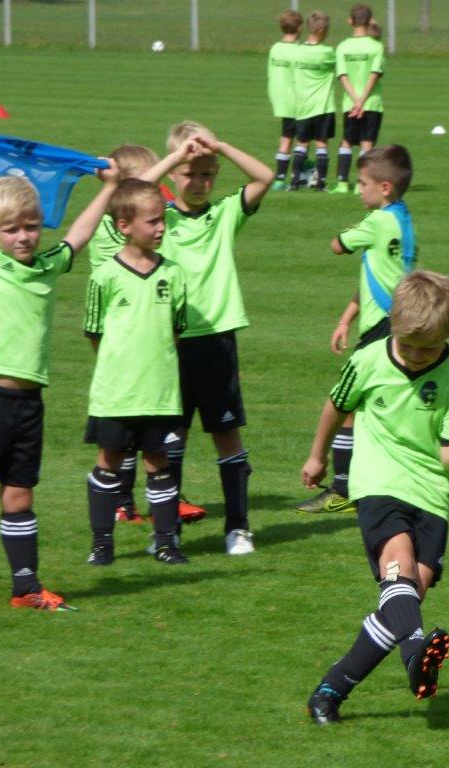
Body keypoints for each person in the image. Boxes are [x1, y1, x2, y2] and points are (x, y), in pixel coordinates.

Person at [0, 116, 118, 613]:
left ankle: (25, 587)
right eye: (11, 229)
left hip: (28, 404)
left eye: (31, 226)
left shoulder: (49, 265)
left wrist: (108, 188)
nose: (24, 237)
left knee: (19, 497)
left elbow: (80, 233)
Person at [302, 270, 449, 724]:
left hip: (431, 492)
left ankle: (329, 691)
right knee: (400, 568)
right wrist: (317, 456)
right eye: (408, 346)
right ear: (392, 326)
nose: (418, 356)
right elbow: (336, 406)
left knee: (401, 603)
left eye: (429, 348)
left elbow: (447, 457)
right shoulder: (367, 360)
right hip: (378, 483)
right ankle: (415, 654)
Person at [141, 121, 273, 555]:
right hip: (171, 342)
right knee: (171, 439)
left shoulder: (224, 214)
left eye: (207, 174)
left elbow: (265, 177)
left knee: (226, 435)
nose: (198, 182)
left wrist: (221, 146)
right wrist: (176, 157)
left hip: (217, 339)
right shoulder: (159, 220)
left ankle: (238, 528)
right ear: (173, 173)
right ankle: (167, 530)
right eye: (189, 174)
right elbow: (131, 192)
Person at [87, 144, 206, 527]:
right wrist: (176, 158)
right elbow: (94, 332)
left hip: (153, 357)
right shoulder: (109, 226)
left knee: (150, 446)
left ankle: (143, 509)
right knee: (118, 444)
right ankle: (122, 503)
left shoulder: (154, 246)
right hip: (121, 356)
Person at [296, 145, 417, 514]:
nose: (359, 190)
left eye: (363, 183)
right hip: (397, 322)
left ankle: (341, 489)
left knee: (345, 403)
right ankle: (385, 483)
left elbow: (336, 245)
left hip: (381, 326)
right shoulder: (403, 219)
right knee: (375, 406)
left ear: (384, 188)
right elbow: (378, 278)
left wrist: (350, 231)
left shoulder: (377, 222)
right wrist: (345, 319)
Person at [331, 4, 386, 195]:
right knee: (367, 144)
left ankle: (342, 183)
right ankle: (361, 185)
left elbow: (342, 76)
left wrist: (355, 100)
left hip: (351, 104)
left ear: (350, 21)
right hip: (371, 103)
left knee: (346, 141)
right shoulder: (377, 46)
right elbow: (374, 74)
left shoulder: (343, 47)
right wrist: (362, 100)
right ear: (370, 21)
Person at [289, 11, 336, 192]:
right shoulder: (327, 52)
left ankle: (294, 182)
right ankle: (320, 184)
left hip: (303, 106)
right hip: (323, 106)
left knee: (302, 143)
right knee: (321, 144)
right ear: (322, 29)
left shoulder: (297, 51)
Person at [267, 9, 303, 191]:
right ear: (300, 28)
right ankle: (294, 177)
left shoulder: (275, 48)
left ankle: (281, 178)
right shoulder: (299, 51)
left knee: (287, 136)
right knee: (300, 139)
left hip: (279, 99)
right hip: (296, 100)